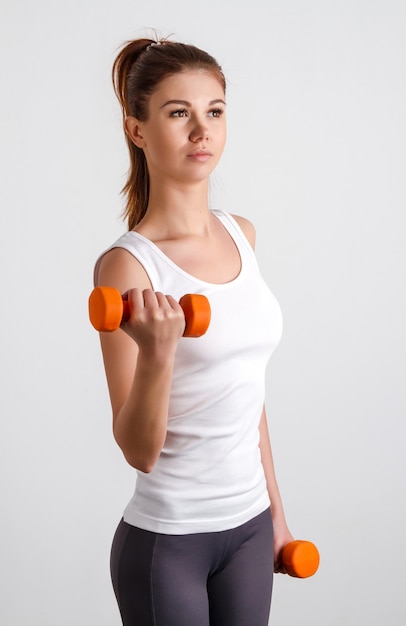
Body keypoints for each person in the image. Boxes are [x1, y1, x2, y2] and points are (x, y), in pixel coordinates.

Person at [93, 36, 294, 626]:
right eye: (178, 113)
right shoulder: (129, 267)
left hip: (252, 528)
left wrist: (277, 517)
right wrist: (157, 354)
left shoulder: (243, 235)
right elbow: (138, 450)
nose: (201, 132)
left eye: (215, 111)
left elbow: (248, 395)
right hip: (170, 540)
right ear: (137, 130)